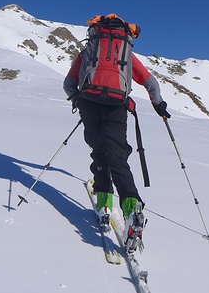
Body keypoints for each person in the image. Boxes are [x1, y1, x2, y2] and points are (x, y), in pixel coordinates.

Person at [63, 13, 171, 250]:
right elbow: (150, 83)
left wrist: (77, 100)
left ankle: (103, 204)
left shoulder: (88, 53)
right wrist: (158, 105)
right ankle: (132, 208)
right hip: (116, 108)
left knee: (99, 153)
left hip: (89, 106)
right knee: (118, 159)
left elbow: (68, 83)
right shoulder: (127, 55)